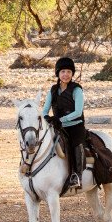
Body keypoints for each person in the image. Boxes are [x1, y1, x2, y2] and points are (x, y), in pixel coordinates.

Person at [42, 57, 87, 192]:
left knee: (76, 143)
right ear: (58, 74)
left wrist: (61, 120)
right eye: (63, 72)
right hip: (58, 126)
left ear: (72, 74)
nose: (66, 74)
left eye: (68, 71)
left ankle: (77, 175)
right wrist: (46, 117)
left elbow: (78, 112)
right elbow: (45, 109)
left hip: (75, 125)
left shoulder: (77, 90)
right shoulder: (53, 90)